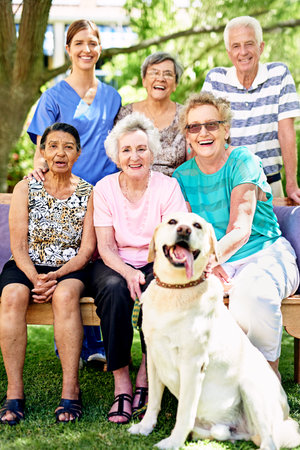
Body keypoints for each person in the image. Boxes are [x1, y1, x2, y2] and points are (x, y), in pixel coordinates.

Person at [172, 92, 299, 380]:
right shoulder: (181, 177)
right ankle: (217, 386)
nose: (203, 132)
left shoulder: (243, 161)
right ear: (187, 136)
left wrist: (209, 260)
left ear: (226, 129)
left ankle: (267, 378)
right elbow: (190, 233)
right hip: (217, 261)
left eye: (212, 125)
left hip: (264, 253)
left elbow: (240, 230)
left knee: (251, 293)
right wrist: (208, 267)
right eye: (194, 127)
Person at [27, 19, 121, 363]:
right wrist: (41, 163)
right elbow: (43, 147)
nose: (86, 49)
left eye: (92, 43)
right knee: (67, 259)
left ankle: (96, 345)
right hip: (63, 194)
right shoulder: (53, 96)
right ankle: (70, 342)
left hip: (104, 194)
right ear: (68, 48)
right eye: (79, 43)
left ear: (99, 48)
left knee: (97, 261)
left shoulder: (113, 96)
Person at [89, 113, 187, 423]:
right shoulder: (104, 189)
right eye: (127, 150)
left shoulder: (167, 187)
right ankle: (121, 383)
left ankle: (145, 374)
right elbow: (104, 247)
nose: (135, 156)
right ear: (116, 155)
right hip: (114, 261)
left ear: (152, 152)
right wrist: (128, 271)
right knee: (115, 290)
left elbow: (171, 241)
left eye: (141, 149)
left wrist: (147, 272)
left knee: (155, 289)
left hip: (156, 259)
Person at [0, 123, 95, 425]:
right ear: (42, 152)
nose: (60, 152)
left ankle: (71, 390)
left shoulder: (89, 193)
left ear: (78, 153)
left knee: (66, 295)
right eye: (52, 146)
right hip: (27, 264)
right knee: (12, 295)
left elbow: (86, 252)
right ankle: (14, 392)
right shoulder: (25, 188)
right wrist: (35, 277)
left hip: (70, 267)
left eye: (68, 146)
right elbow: (18, 244)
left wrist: (55, 276)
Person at [202, 16, 300, 203]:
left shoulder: (279, 75)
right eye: (236, 46)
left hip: (270, 183)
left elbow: (286, 132)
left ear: (260, 47)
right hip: (226, 185)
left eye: (249, 44)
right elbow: (205, 133)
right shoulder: (216, 79)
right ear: (229, 52)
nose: (243, 52)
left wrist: (292, 184)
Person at [116, 52, 190, 176]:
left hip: (174, 189)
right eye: (154, 73)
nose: (160, 78)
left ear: (175, 84)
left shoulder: (186, 115)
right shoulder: (125, 115)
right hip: (131, 186)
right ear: (144, 80)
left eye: (168, 74)